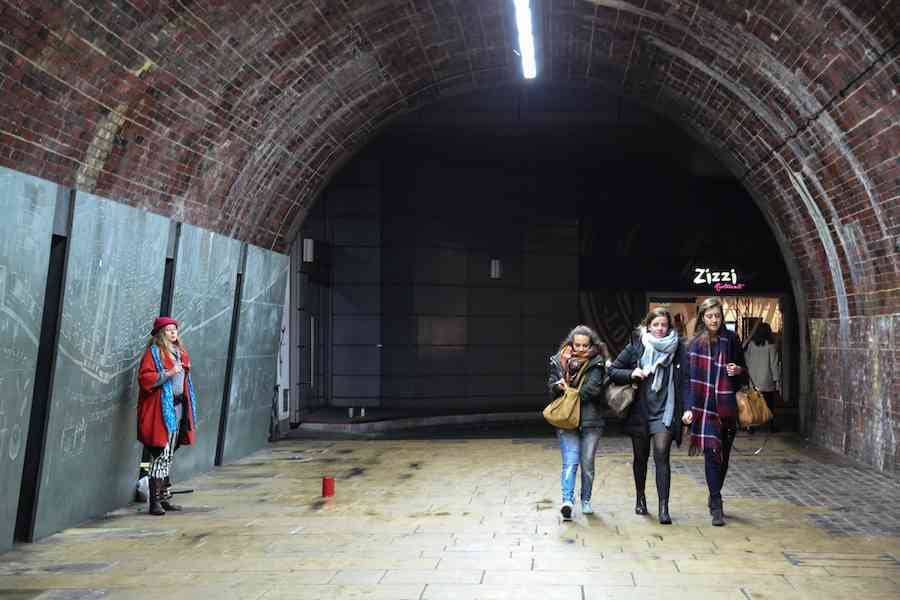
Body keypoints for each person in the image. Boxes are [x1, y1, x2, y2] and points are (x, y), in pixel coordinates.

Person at [608, 307, 685, 524]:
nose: (660, 329)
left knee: (662, 455)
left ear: (669, 327)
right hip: (641, 412)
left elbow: (685, 380)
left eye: (664, 325)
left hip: (665, 413)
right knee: (641, 458)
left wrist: (687, 408)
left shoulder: (678, 348)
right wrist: (631, 373)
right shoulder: (636, 346)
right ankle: (640, 497)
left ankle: (664, 508)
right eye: (656, 325)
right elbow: (612, 370)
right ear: (648, 325)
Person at [681, 298, 746, 526]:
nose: (714, 320)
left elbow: (743, 372)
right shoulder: (694, 343)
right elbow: (688, 380)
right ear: (703, 318)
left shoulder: (732, 339)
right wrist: (688, 407)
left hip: (727, 406)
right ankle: (716, 502)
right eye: (709, 316)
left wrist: (737, 369)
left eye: (717, 316)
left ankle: (713, 493)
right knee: (711, 454)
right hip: (704, 407)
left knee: (724, 458)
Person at [137, 316, 197, 516]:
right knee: (160, 454)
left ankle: (164, 498)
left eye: (175, 330)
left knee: (169, 455)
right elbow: (145, 379)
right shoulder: (154, 354)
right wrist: (169, 372)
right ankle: (154, 503)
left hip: (178, 410)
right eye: (169, 330)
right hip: (161, 411)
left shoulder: (180, 353)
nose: (173, 333)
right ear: (160, 334)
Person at [547, 325, 608, 521]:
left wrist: (568, 391)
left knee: (587, 464)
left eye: (585, 345)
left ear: (592, 345)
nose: (581, 349)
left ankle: (586, 500)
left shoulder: (597, 363)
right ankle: (567, 501)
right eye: (577, 345)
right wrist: (558, 387)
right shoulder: (559, 361)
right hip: (566, 420)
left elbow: (593, 391)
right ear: (571, 344)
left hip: (591, 422)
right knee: (570, 462)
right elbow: (551, 387)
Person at [744, 322, 780, 432]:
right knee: (769, 404)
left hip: (753, 380)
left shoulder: (751, 345)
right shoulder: (771, 346)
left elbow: (746, 360)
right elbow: (774, 364)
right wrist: (776, 379)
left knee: (753, 404)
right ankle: (771, 426)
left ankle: (751, 427)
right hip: (767, 380)